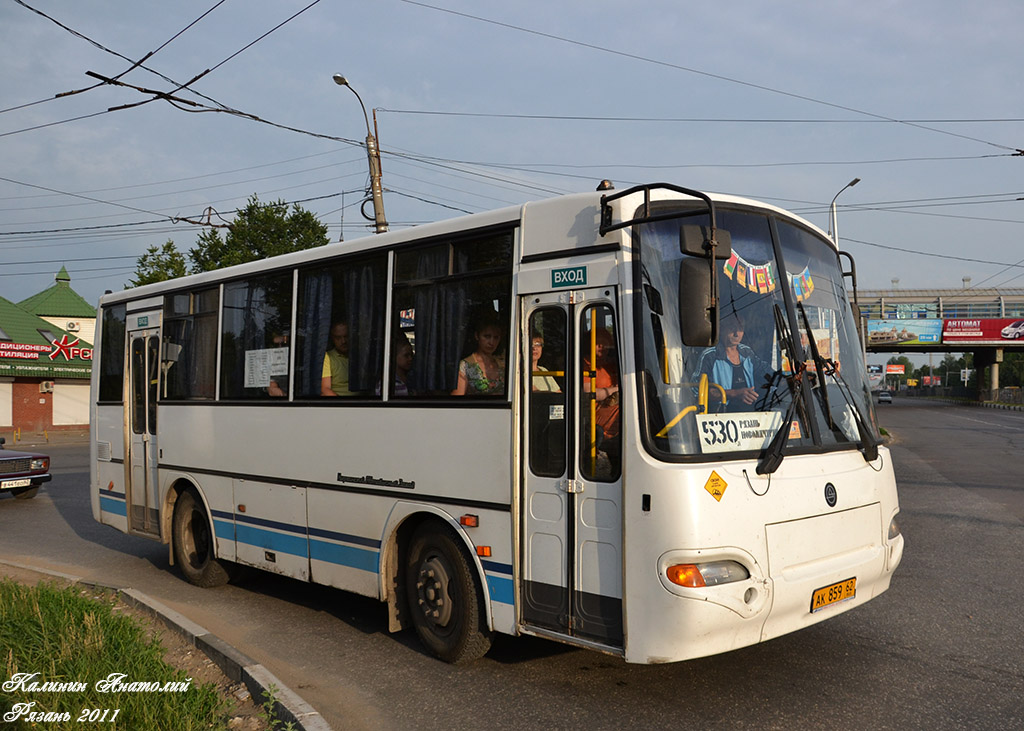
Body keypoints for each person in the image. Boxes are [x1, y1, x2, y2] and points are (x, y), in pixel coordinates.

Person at [692, 312, 772, 411]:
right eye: (732, 327)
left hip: (750, 418)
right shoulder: (710, 356)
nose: (736, 333)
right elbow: (696, 390)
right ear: (721, 329)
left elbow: (767, 374)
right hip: (720, 418)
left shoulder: (746, 352)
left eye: (740, 328)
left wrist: (786, 380)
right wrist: (734, 393)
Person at [452, 315, 505, 396]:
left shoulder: (503, 364)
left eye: (496, 338)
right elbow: (457, 399)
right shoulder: (465, 365)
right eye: (487, 336)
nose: (491, 342)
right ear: (477, 336)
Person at [321, 321, 353, 396]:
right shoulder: (327, 358)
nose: (343, 341)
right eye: (338, 338)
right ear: (333, 339)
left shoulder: (361, 357)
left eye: (346, 336)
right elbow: (325, 390)